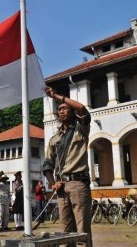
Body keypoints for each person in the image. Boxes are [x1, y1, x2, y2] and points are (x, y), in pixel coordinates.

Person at [43, 86, 92, 247]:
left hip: (78, 184)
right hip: (61, 188)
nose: (62, 111)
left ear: (72, 112)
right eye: (59, 109)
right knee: (65, 233)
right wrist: (52, 183)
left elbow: (83, 109)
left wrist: (57, 96)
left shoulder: (81, 130)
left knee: (82, 233)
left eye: (65, 108)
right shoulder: (54, 139)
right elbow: (47, 165)